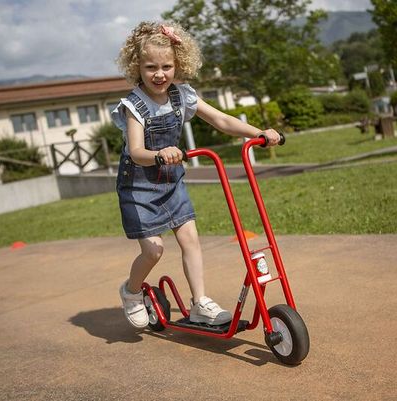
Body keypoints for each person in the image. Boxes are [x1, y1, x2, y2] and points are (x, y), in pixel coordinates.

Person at [112, 21, 281, 329]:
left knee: (190, 239)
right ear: (138, 66)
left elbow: (221, 119)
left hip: (170, 181)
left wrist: (260, 132)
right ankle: (132, 291)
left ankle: (200, 302)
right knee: (154, 250)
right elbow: (136, 151)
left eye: (167, 66)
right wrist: (159, 154)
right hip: (139, 186)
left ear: (178, 64)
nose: (160, 74)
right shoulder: (134, 105)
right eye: (151, 67)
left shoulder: (182, 95)